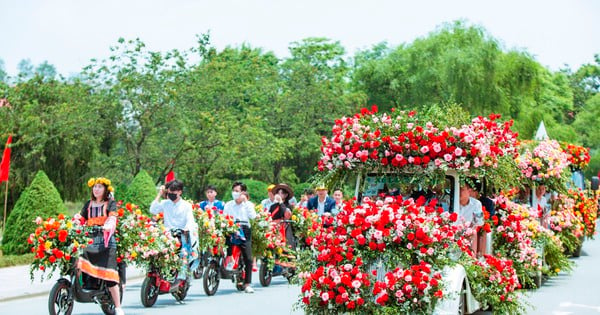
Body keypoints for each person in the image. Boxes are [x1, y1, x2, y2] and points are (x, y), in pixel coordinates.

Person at [78, 177, 124, 315]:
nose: (96, 189)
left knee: (109, 276)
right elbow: (81, 218)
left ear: (105, 190)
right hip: (91, 240)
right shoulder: (88, 204)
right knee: (78, 259)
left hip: (106, 241)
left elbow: (112, 218)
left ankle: (118, 307)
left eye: (99, 187)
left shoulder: (110, 203)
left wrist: (108, 226)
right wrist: (73, 223)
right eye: (95, 187)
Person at [150, 179, 198, 292]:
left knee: (183, 255)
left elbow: (190, 220)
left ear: (180, 192)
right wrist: (159, 194)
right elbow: (153, 210)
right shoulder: (165, 203)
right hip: (167, 235)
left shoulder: (186, 206)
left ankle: (182, 277)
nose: (171, 193)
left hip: (181, 235)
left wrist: (187, 228)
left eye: (174, 191)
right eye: (169, 191)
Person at [223, 181, 257, 293]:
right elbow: (224, 218)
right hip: (231, 229)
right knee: (223, 246)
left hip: (244, 230)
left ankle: (247, 283)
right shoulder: (228, 205)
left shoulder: (248, 205)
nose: (235, 193)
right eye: (234, 191)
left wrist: (245, 202)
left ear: (243, 192)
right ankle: (225, 264)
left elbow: (253, 216)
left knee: (248, 257)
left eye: (237, 191)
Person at [458, 182, 485, 255]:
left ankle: (472, 257)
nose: (459, 191)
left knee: (474, 232)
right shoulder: (450, 200)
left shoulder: (476, 204)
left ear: (469, 191)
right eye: (458, 189)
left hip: (468, 234)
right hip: (452, 232)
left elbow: (479, 223)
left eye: (462, 189)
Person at [270, 183, 296, 249]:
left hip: (285, 228)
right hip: (275, 228)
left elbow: (287, 215)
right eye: (278, 193)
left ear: (286, 195)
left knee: (287, 248)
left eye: (281, 193)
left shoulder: (289, 206)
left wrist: (281, 202)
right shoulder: (273, 206)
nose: (279, 195)